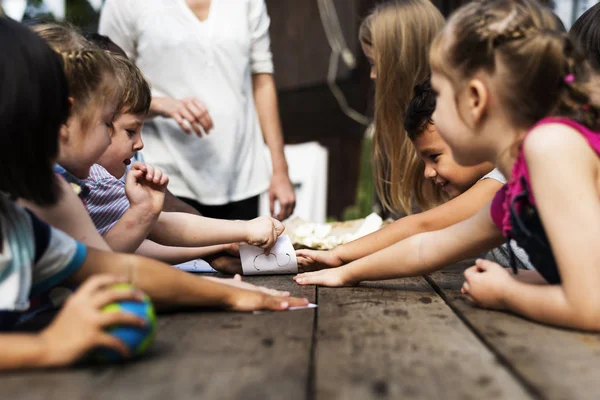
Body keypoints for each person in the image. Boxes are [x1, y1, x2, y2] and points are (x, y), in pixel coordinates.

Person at [0, 17, 307, 370]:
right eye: (106, 122)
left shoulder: (21, 224)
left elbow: (116, 270)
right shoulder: (45, 197)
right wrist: (46, 347)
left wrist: (228, 293)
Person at [296, 0, 600, 331]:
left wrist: (506, 293)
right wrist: (344, 268)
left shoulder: (551, 145)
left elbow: (591, 306)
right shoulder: (520, 180)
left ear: (475, 99)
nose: (434, 114)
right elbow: (431, 245)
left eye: (439, 95)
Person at [99, 0, 295, 221]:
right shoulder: (124, 4)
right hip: (165, 173)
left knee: (240, 253)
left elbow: (262, 78)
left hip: (241, 174)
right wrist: (162, 104)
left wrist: (280, 170)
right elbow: (110, 87)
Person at [359, 0, 445, 216]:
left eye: (375, 64)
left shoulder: (443, 126)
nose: (373, 75)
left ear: (401, 64)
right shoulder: (394, 129)